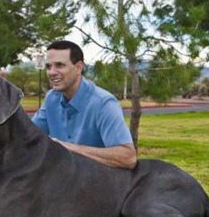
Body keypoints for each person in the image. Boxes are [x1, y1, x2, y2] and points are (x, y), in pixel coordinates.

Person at [32, 40, 137, 169]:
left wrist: (68, 148)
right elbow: (29, 136)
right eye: (48, 66)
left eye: (59, 65)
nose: (52, 72)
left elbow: (128, 158)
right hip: (61, 181)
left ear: (78, 68)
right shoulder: (51, 98)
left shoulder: (103, 103)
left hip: (98, 183)